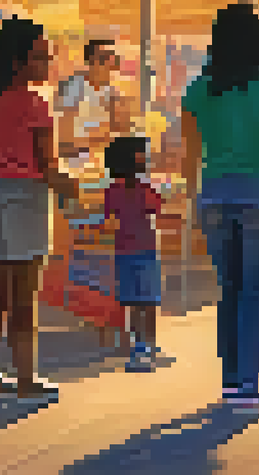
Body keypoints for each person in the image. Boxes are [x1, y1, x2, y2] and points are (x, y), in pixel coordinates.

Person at [181, 3, 259, 413]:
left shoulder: (199, 90)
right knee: (253, 291)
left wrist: (188, 198)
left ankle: (231, 381)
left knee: (229, 290)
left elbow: (190, 156)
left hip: (214, 198)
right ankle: (248, 384)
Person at [0, 17, 80, 399]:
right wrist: (73, 186)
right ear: (19, 61)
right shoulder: (35, 104)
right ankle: (25, 378)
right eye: (40, 56)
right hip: (26, 199)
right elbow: (48, 166)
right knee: (25, 295)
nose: (47, 63)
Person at [102, 135, 167, 372]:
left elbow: (109, 213)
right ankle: (149, 344)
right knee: (148, 301)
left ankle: (137, 346)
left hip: (123, 251)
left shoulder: (112, 190)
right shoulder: (146, 189)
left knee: (131, 302)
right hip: (147, 250)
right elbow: (157, 206)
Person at [57, 40, 125, 177]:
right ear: (91, 61)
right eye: (103, 58)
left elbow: (117, 131)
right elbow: (66, 137)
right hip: (75, 162)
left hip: (100, 161)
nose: (109, 63)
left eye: (112, 58)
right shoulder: (75, 86)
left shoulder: (111, 92)